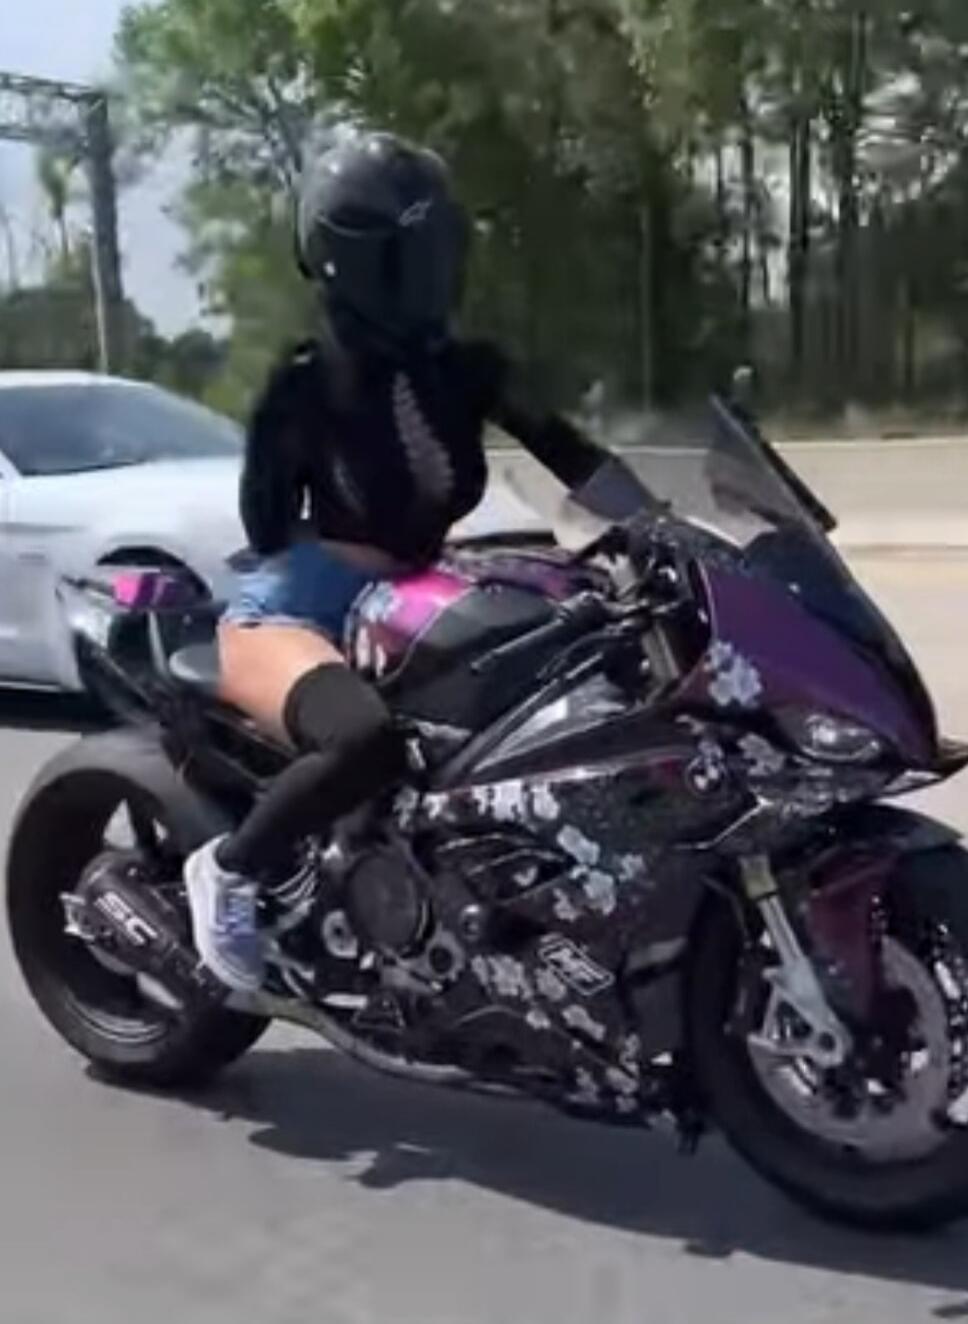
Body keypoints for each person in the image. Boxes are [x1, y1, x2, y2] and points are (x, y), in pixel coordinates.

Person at [183, 128, 644, 993]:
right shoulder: (307, 379)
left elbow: (573, 457)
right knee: (365, 742)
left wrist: (660, 532)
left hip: (418, 589)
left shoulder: (467, 369)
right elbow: (266, 521)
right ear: (353, 267)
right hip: (297, 607)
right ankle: (231, 870)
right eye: (412, 256)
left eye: (438, 251)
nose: (435, 274)